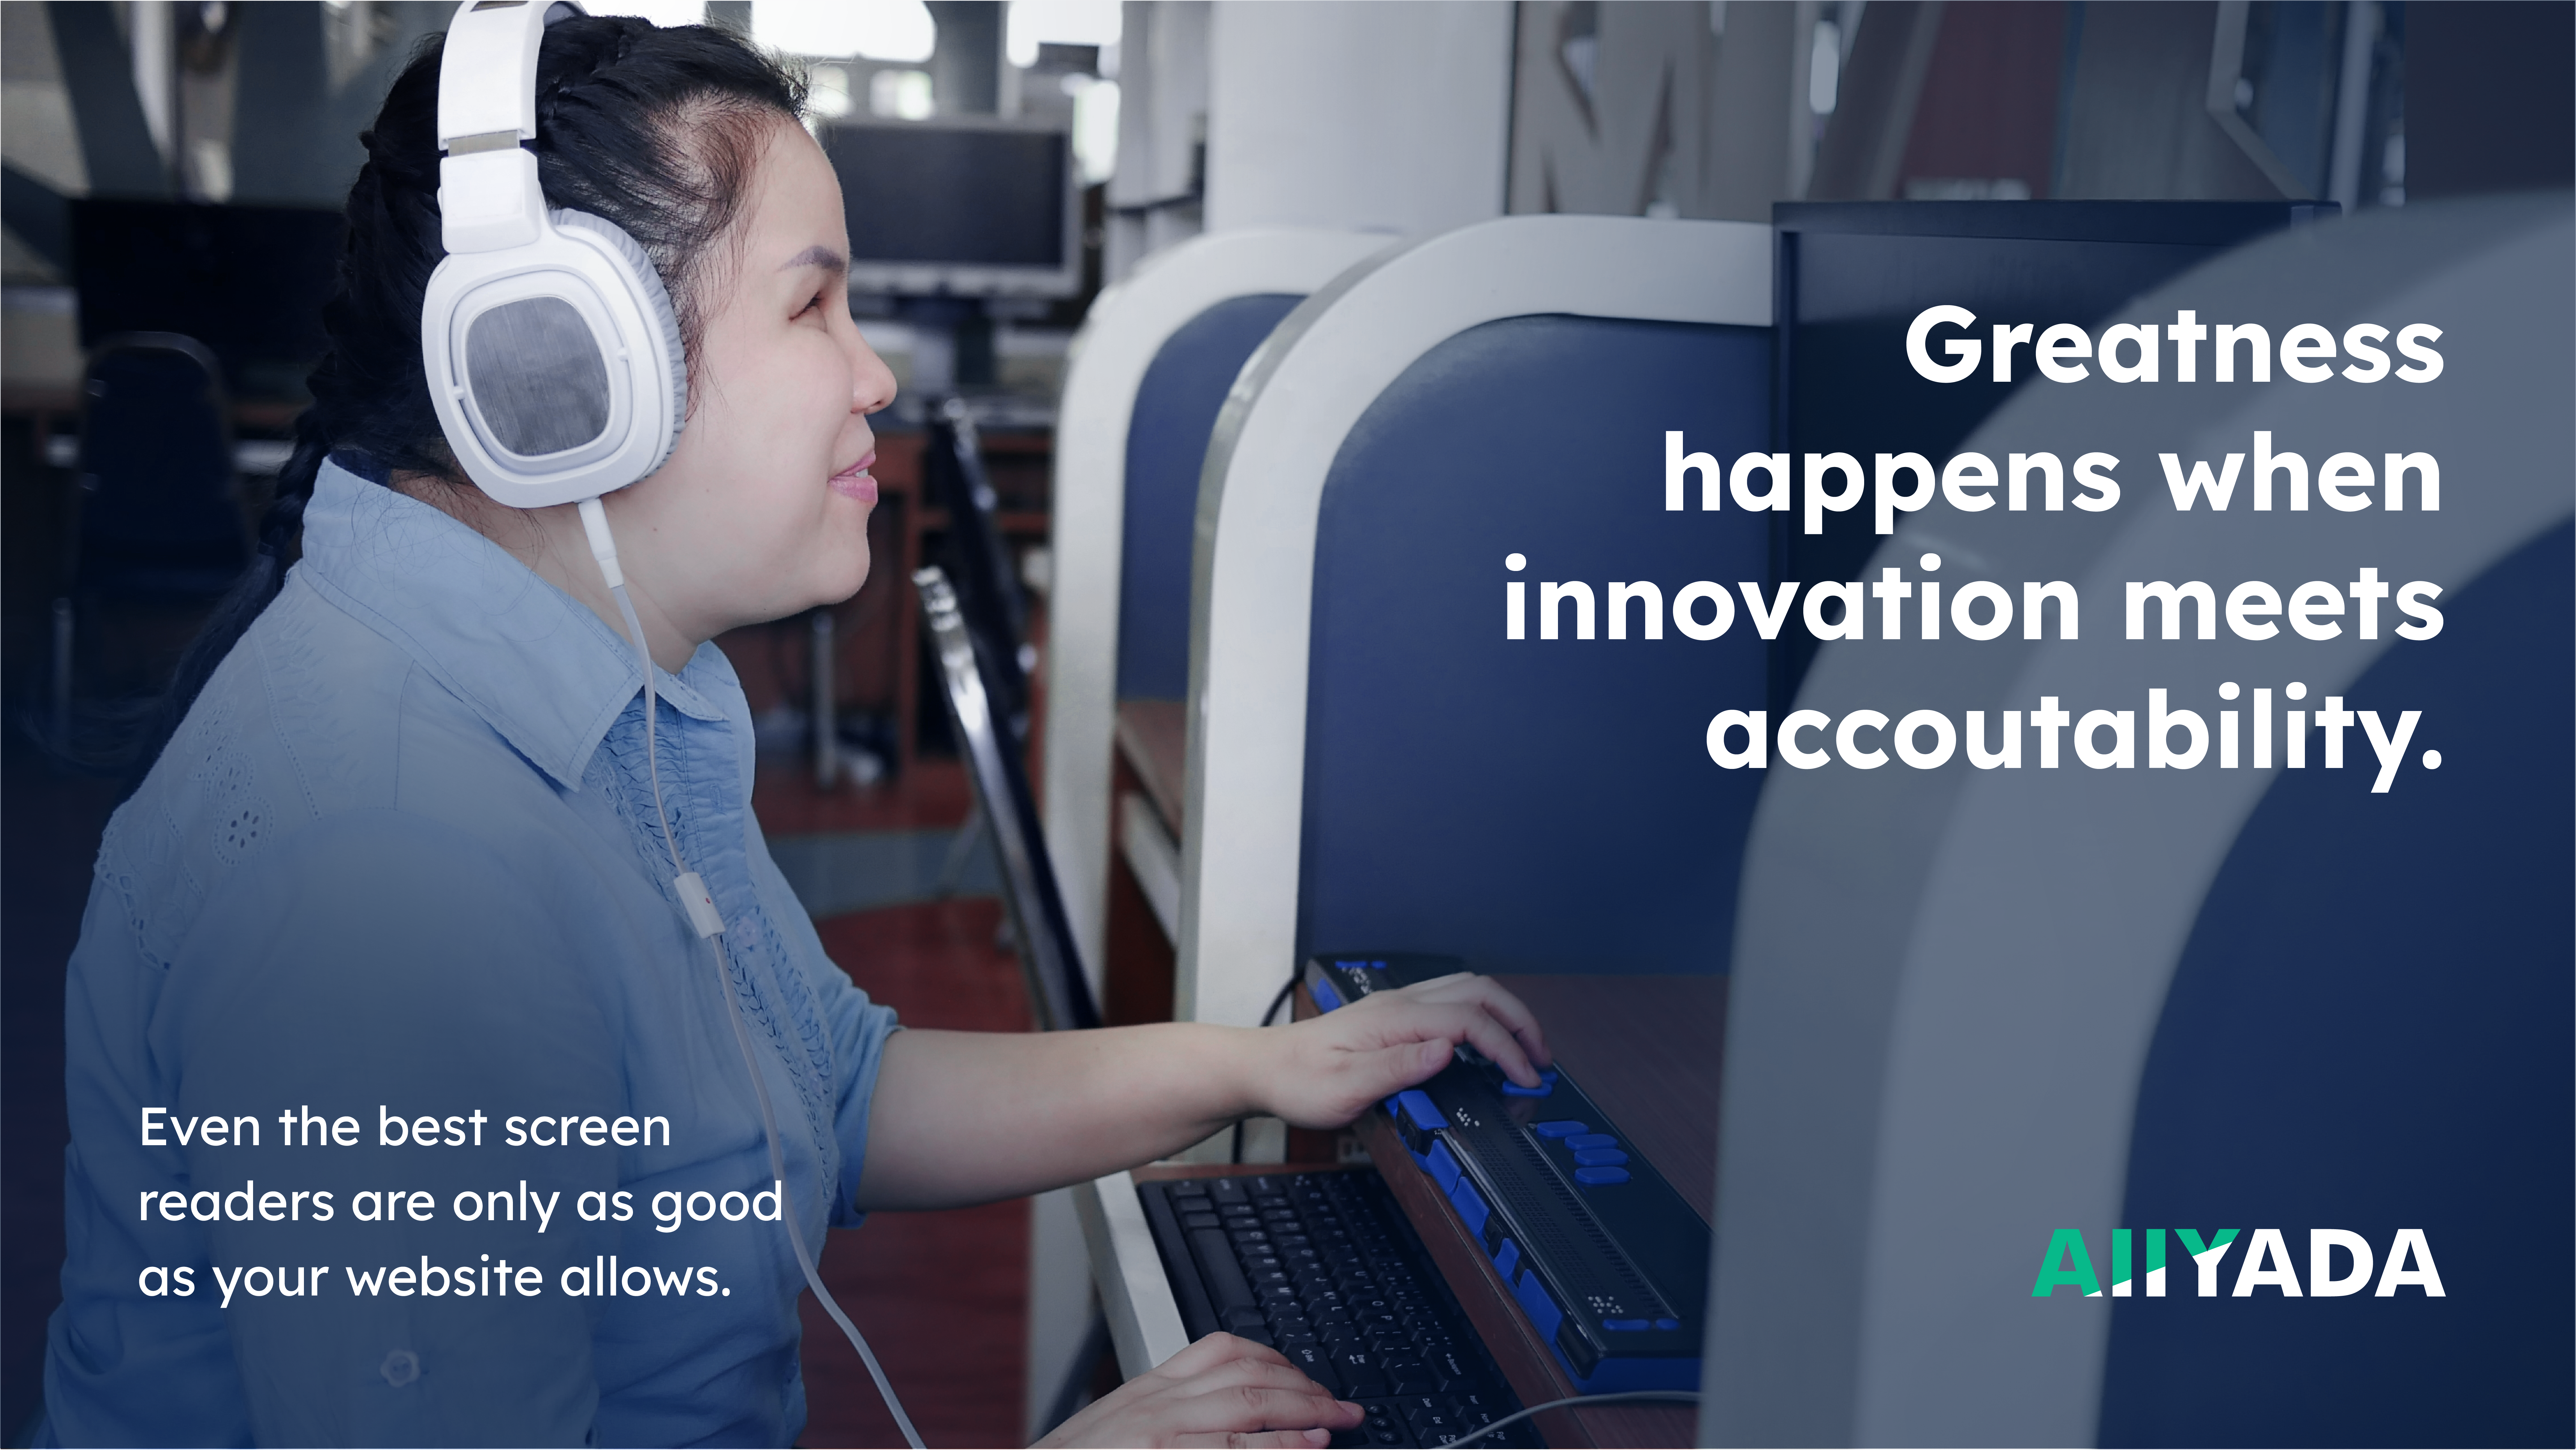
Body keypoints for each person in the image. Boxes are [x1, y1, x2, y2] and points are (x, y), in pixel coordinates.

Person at [42, 13, 1550, 1448]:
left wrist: (1253, 1065)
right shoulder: (387, 883)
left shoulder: (604, 694)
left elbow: (837, 1084)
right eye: (812, 303)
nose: (873, 371)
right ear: (560, 374)